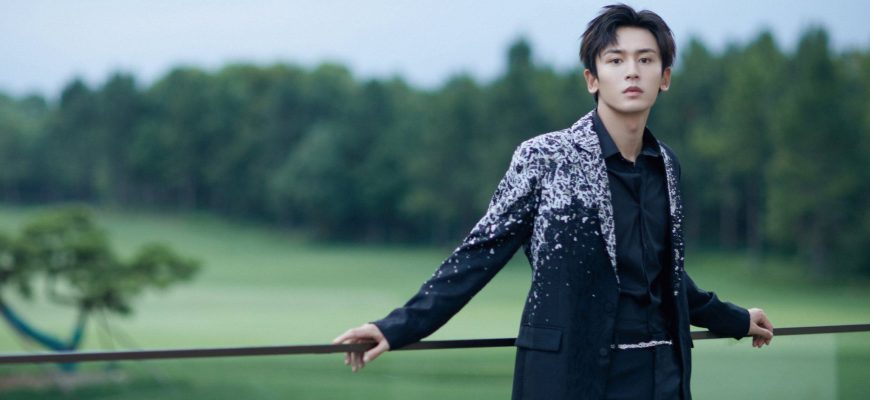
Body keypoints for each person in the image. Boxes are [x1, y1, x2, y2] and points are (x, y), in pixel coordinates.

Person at [334, 4, 774, 399]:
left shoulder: (667, 165)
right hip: (571, 377)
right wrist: (396, 327)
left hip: (662, 376)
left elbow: (663, 274)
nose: (632, 72)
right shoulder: (546, 157)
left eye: (645, 59)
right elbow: (478, 254)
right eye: (615, 60)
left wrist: (734, 319)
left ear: (665, 78)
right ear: (592, 79)